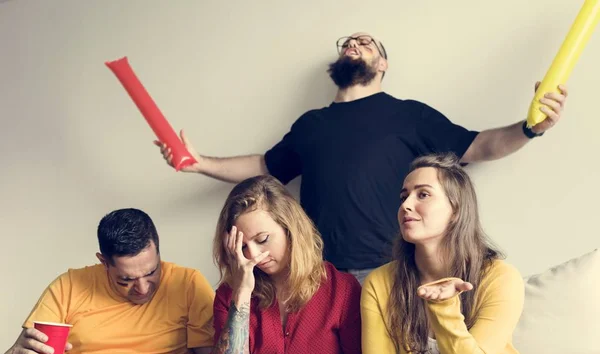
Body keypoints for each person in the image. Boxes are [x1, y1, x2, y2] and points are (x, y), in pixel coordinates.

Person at [154, 32, 568, 283]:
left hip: (387, 269)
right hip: (319, 272)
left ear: (383, 64)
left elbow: (478, 146)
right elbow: (265, 168)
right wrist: (199, 163)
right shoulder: (311, 124)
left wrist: (532, 127)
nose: (353, 44)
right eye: (347, 42)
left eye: (365, 42)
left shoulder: (408, 114)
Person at [360, 153, 542, 354]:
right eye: (404, 196)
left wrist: (444, 306)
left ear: (456, 210)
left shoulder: (500, 278)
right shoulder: (380, 283)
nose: (406, 205)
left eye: (423, 195)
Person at [0, 208, 215, 354]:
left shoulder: (187, 284)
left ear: (158, 251)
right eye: (125, 280)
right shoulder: (69, 286)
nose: (142, 288)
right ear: (103, 261)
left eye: (151, 272)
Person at [207, 175, 368, 354]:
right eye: (242, 247)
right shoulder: (230, 294)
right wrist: (241, 294)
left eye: (262, 240)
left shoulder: (342, 290)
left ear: (290, 229)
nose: (255, 256)